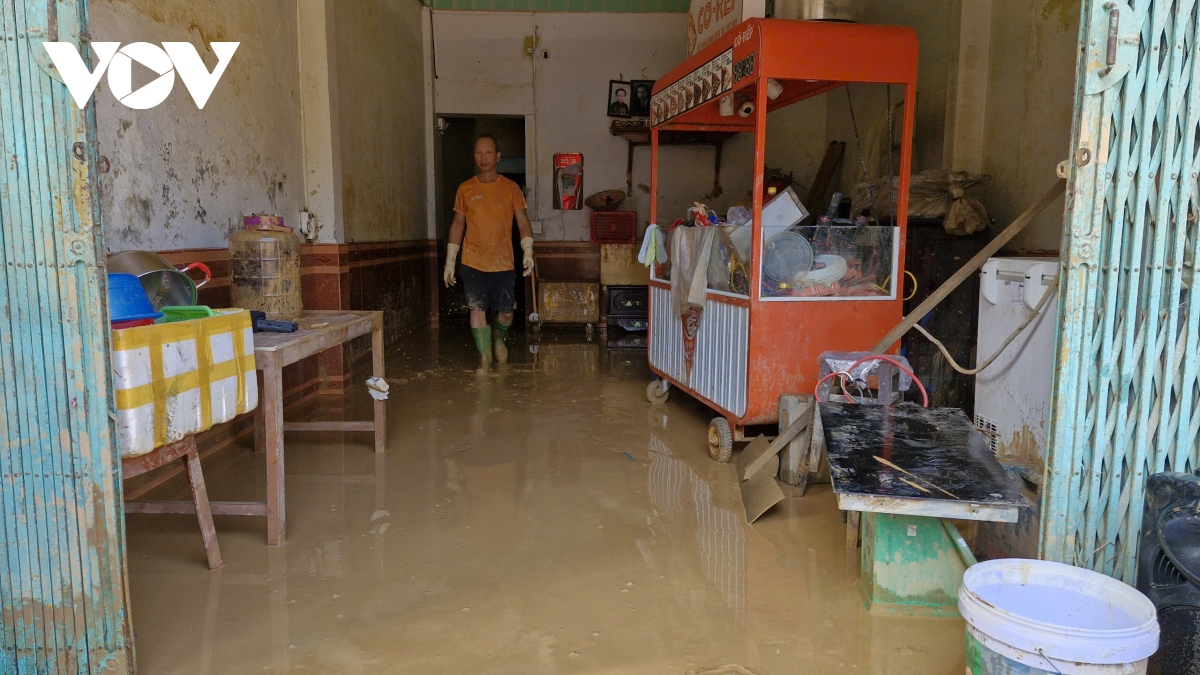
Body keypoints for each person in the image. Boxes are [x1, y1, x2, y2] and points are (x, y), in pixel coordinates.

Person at [444, 136, 535, 370]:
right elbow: (457, 224)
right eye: (478, 153)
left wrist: (528, 251)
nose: (483, 158)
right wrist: (450, 261)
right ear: (474, 156)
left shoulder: (511, 188)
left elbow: (523, 222)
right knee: (477, 308)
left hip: (503, 262)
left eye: (488, 153)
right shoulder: (465, 189)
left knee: (506, 313)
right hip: (472, 261)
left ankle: (498, 337)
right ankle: (484, 359)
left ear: (497, 157)